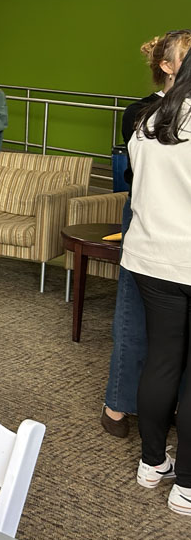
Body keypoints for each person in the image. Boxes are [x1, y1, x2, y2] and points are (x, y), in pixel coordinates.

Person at [102, 30, 190, 437]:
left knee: (172, 338)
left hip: (173, 219)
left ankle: (166, 408)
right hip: (147, 213)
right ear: (166, 66)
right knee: (134, 317)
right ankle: (117, 403)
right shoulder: (141, 112)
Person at [124, 49, 191, 515]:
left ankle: (153, 464)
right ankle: (186, 486)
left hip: (150, 260)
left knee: (162, 360)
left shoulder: (147, 122)